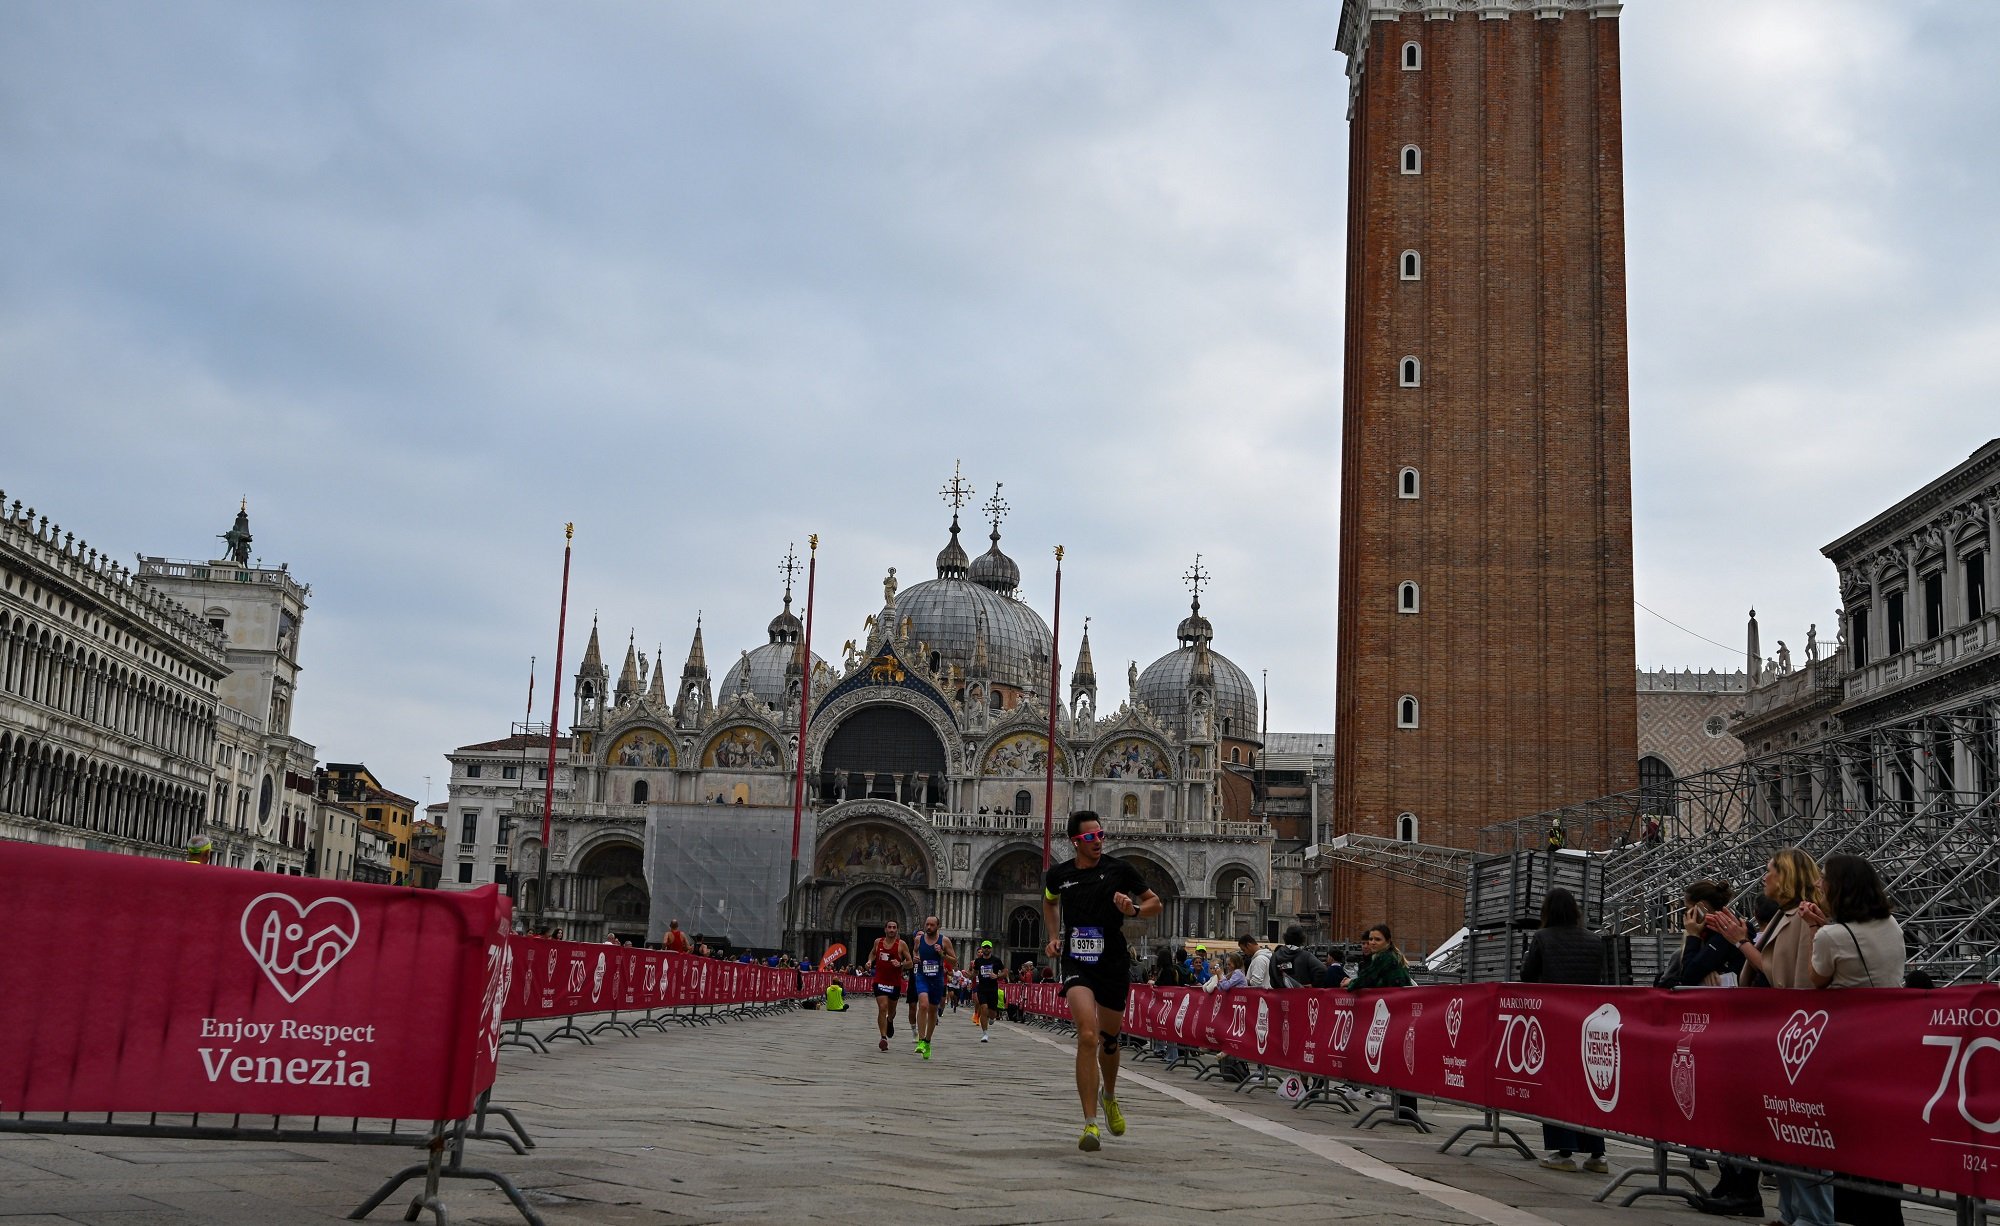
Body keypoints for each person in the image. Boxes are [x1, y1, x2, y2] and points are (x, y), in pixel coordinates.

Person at [1708, 847, 1829, 1226]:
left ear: (1788, 875)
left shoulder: (1801, 918)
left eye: (1770, 872)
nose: (1764, 879)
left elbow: (1784, 977)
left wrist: (1741, 943)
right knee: (1786, 1131)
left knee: (1802, 1131)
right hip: (1775, 1038)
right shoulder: (1783, 915)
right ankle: (1791, 1212)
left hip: (1796, 1040)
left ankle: (1810, 1216)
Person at [1043, 809, 1162, 1151]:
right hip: (1077, 959)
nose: (1098, 841)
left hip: (1111, 958)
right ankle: (1090, 1124)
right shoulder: (1059, 875)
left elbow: (1155, 902)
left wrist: (1133, 910)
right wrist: (1053, 935)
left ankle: (1109, 1094)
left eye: (1101, 835)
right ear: (1075, 842)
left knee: (1110, 1039)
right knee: (1088, 1035)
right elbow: (1050, 902)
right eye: (1090, 837)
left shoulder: (1119, 869)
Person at [1808, 853, 1908, 1226]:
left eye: (1823, 878)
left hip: (1847, 1048)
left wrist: (1814, 932)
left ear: (1840, 887)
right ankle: (1886, 1212)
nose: (1818, 884)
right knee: (1881, 1138)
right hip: (1887, 1044)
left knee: (1849, 1139)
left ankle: (1854, 1213)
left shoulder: (1831, 936)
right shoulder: (1893, 925)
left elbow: (1817, 978)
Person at [1519, 888, 1611, 1174]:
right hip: (1588, 1022)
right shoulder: (1594, 941)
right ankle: (1597, 1154)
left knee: (1556, 1084)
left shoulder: (1543, 938)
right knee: (1586, 1085)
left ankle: (1564, 1151)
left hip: (1554, 1021)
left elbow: (1527, 975)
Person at [1343, 924, 1418, 1121]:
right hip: (1395, 1014)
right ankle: (1403, 1109)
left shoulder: (1385, 958)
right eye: (1371, 939)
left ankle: (1406, 1111)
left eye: (1377, 940)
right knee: (1398, 1061)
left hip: (1399, 1014)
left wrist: (1349, 984)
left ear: (1387, 942)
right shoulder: (1383, 957)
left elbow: (1367, 978)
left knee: (1400, 1061)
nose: (1372, 943)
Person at [911, 915, 955, 1060]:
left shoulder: (944, 940)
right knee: (922, 1005)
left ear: (938, 926)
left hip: (937, 979)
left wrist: (942, 954)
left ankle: (928, 1041)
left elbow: (954, 961)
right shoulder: (919, 939)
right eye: (927, 925)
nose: (928, 927)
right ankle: (922, 1039)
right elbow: (915, 951)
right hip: (922, 976)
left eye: (931, 925)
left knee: (932, 1011)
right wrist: (915, 957)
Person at [866, 920, 911, 1054]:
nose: (892, 930)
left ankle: (890, 1020)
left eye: (894, 927)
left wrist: (901, 964)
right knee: (882, 1007)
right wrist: (869, 961)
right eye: (889, 927)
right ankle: (883, 1037)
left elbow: (910, 962)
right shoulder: (878, 942)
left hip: (894, 983)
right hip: (880, 980)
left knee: (891, 1011)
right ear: (885, 929)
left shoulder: (901, 945)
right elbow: (873, 953)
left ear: (897, 930)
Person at [1147, 945, 1186, 1068]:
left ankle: (1172, 1055)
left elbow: (1165, 984)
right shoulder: (1169, 969)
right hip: (1167, 1003)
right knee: (1164, 1027)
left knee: (1168, 1029)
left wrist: (1154, 983)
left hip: (1168, 1003)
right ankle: (1167, 1052)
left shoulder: (1167, 971)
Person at [971, 939, 1005, 1042]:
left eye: (988, 947)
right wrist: (969, 976)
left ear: (991, 949)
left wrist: (997, 975)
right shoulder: (978, 961)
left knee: (992, 1013)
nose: (986, 949)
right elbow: (975, 973)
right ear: (981, 948)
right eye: (984, 947)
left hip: (992, 988)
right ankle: (985, 1033)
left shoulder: (996, 960)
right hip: (982, 988)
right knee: (984, 1008)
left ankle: (992, 1018)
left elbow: (1005, 972)